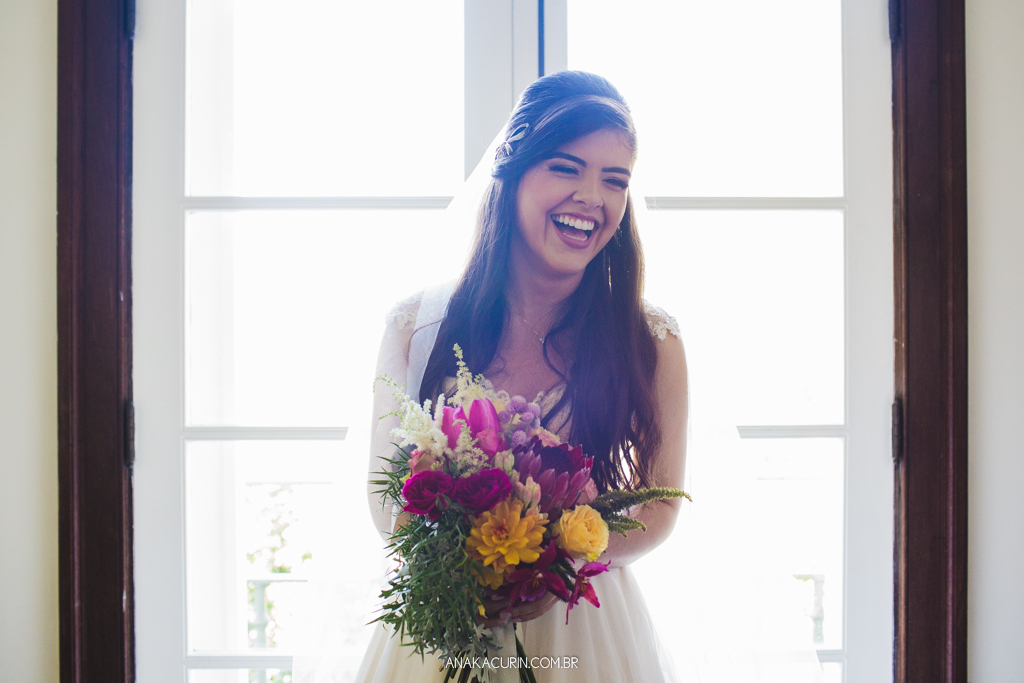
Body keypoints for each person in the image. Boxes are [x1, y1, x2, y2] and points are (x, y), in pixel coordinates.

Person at [357, 71, 688, 683]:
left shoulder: (651, 341)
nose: (593, 197)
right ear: (510, 174)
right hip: (444, 622)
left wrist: (558, 557)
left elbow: (661, 506)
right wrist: (476, 559)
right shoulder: (416, 328)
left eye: (615, 180)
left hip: (585, 631)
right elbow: (387, 500)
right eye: (567, 168)